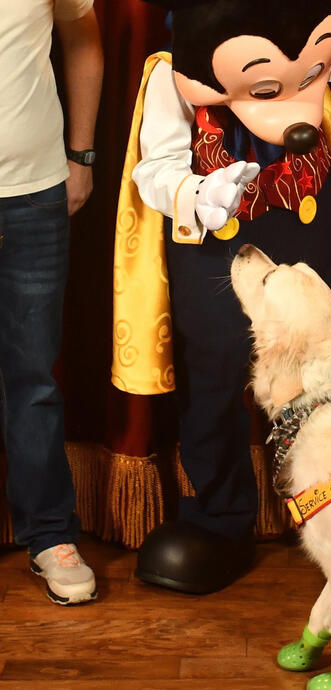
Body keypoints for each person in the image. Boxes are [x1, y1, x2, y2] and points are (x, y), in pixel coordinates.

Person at [113, 0, 331, 594]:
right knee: (212, 378)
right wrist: (196, 193)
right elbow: (154, 165)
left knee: (321, 376)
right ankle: (221, 518)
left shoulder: (310, 33)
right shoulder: (176, 68)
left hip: (305, 227)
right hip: (220, 243)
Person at [0, 1, 103, 604]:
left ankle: (49, 536)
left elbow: (83, 39)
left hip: (34, 196)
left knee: (33, 380)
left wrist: (81, 153)